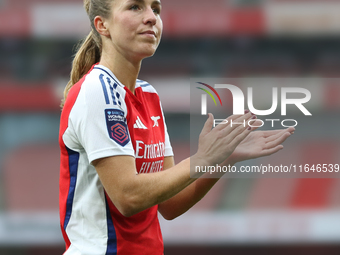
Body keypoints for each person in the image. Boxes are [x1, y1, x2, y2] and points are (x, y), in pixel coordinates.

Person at [59, 0, 295, 254]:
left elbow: (170, 204)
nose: (151, 17)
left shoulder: (148, 94)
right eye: (135, 7)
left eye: (156, 9)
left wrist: (222, 159)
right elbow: (127, 197)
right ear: (102, 25)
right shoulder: (97, 90)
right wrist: (203, 158)